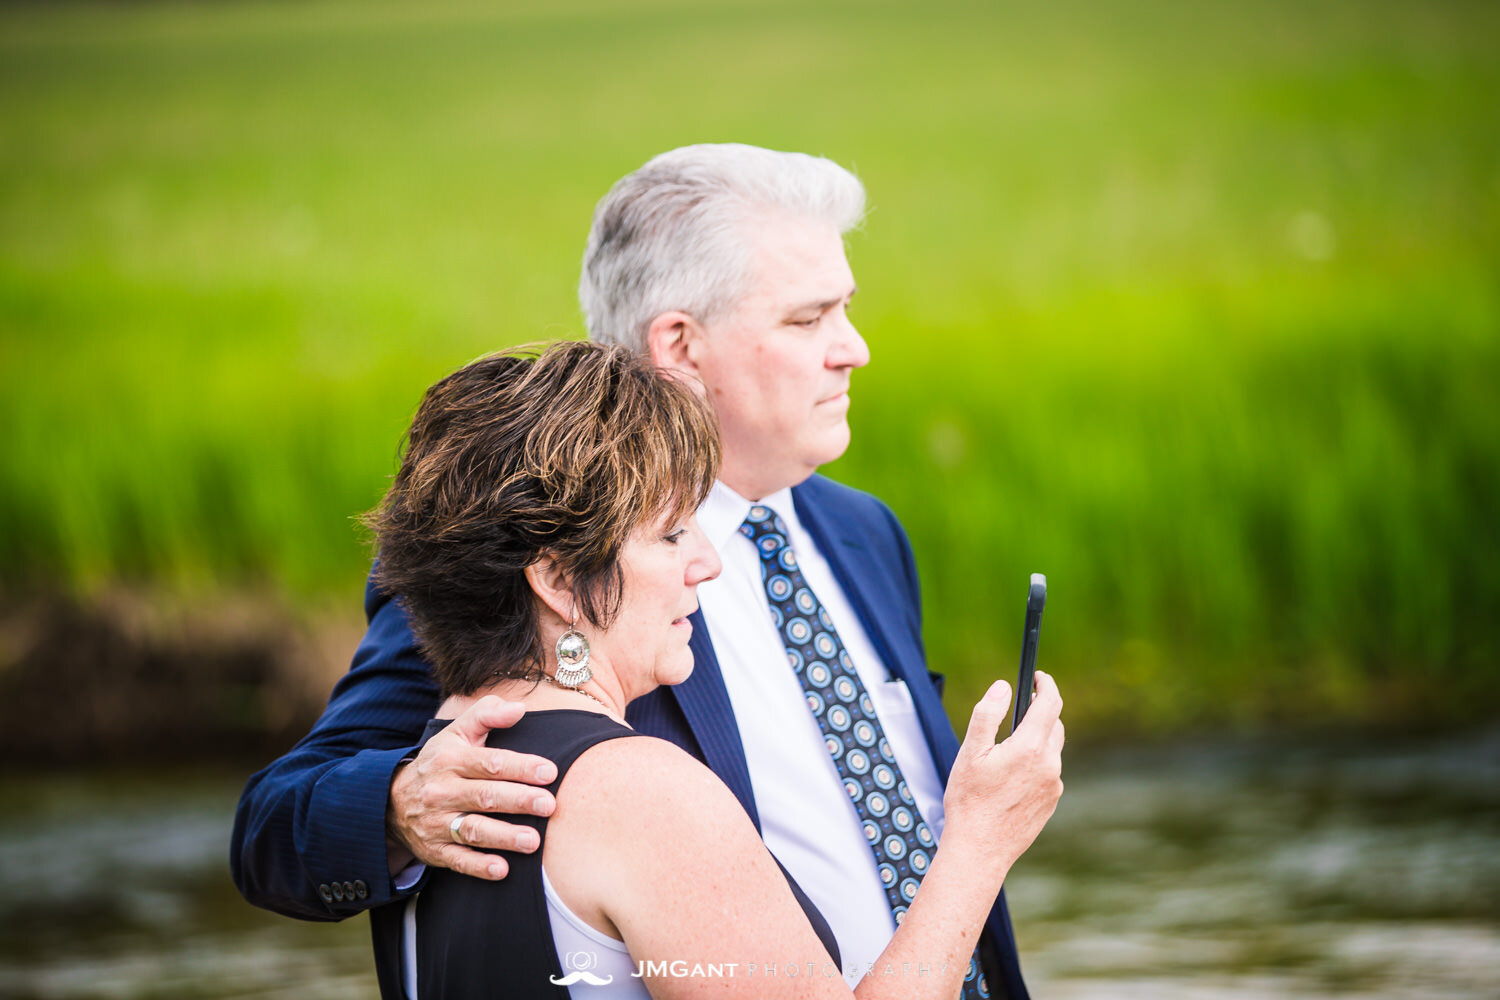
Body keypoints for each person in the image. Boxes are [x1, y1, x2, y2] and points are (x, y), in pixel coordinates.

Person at [232, 144, 1042, 996]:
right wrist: (400, 802)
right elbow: (273, 830)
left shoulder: (864, 534)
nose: (855, 349)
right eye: (808, 320)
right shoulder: (523, 557)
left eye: (847, 310)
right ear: (681, 345)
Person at [359, 340, 1064, 999]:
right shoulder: (645, 795)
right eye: (670, 535)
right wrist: (977, 843)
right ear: (560, 582)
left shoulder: (435, 773)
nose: (709, 562)